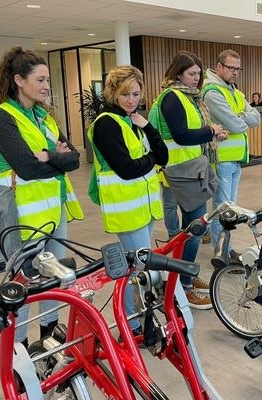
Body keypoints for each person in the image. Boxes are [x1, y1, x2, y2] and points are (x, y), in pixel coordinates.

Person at [0, 46, 84, 346]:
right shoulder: (0, 117)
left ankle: (48, 336)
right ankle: (20, 345)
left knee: (53, 278)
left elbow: (75, 159)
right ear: (18, 80)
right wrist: (54, 158)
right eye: (40, 79)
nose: (46, 86)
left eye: (48, 80)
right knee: (23, 286)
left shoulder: (43, 116)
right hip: (21, 219)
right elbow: (25, 168)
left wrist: (46, 156)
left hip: (53, 212)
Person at [88, 65, 167, 329]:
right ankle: (132, 326)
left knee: (137, 269)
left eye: (135, 94)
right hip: (126, 210)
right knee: (135, 270)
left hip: (143, 208)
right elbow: (127, 169)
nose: (131, 100)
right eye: (125, 95)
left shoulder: (132, 121)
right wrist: (152, 159)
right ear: (113, 94)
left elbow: (163, 155)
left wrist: (148, 127)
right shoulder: (106, 124)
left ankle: (136, 320)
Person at [152, 50, 227, 309]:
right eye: (191, 73)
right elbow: (182, 136)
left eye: (198, 74)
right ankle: (182, 285)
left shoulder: (188, 98)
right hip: (180, 170)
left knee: (191, 228)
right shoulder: (173, 98)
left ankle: (185, 278)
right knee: (195, 229)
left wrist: (209, 134)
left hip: (190, 167)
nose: (196, 78)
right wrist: (210, 131)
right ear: (178, 73)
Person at [202, 49, 260, 259]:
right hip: (222, 160)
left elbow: (256, 119)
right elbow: (235, 125)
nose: (236, 72)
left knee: (228, 207)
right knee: (222, 209)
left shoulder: (234, 91)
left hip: (235, 159)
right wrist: (240, 118)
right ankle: (222, 253)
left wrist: (239, 116)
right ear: (219, 67)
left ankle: (222, 247)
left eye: (238, 68)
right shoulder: (212, 92)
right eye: (231, 68)